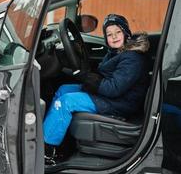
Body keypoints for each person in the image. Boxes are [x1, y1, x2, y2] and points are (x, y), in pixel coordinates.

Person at [43, 14, 150, 165]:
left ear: (126, 33)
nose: (114, 37)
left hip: (120, 103)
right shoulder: (116, 53)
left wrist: (87, 77)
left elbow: (113, 88)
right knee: (64, 89)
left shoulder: (132, 59)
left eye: (118, 32)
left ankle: (47, 150)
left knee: (66, 102)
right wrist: (88, 75)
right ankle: (59, 138)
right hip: (111, 95)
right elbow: (106, 76)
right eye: (109, 34)